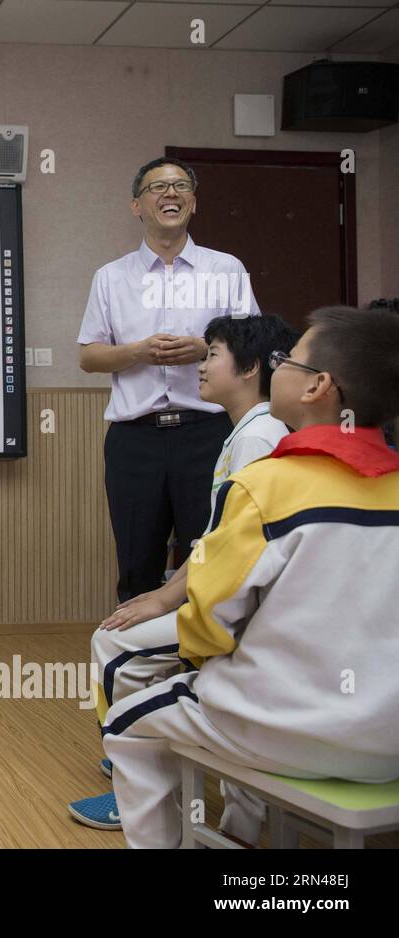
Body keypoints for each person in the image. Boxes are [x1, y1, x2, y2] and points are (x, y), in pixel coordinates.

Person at [102, 305, 399, 848]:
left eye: (287, 361)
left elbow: (209, 624)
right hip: (390, 738)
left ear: (318, 388)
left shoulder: (265, 485)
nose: (275, 367)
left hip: (285, 729)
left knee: (126, 720)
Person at [67, 313, 298, 836]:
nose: (202, 363)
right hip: (232, 601)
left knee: (112, 644)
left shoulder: (257, 439)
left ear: (250, 368)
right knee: (133, 628)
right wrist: (169, 592)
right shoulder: (248, 432)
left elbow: (234, 554)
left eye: (212, 353)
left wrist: (167, 600)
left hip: (241, 613)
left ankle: (134, 790)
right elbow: (218, 542)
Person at [78, 157, 261, 604]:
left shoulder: (227, 269)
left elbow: (255, 344)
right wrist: (136, 352)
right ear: (137, 206)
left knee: (210, 556)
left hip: (209, 434)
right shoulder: (111, 277)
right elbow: (89, 357)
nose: (171, 194)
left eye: (181, 186)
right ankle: (138, 667)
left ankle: (200, 667)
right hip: (134, 439)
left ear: (193, 202)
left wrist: (206, 349)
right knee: (136, 562)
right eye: (158, 187)